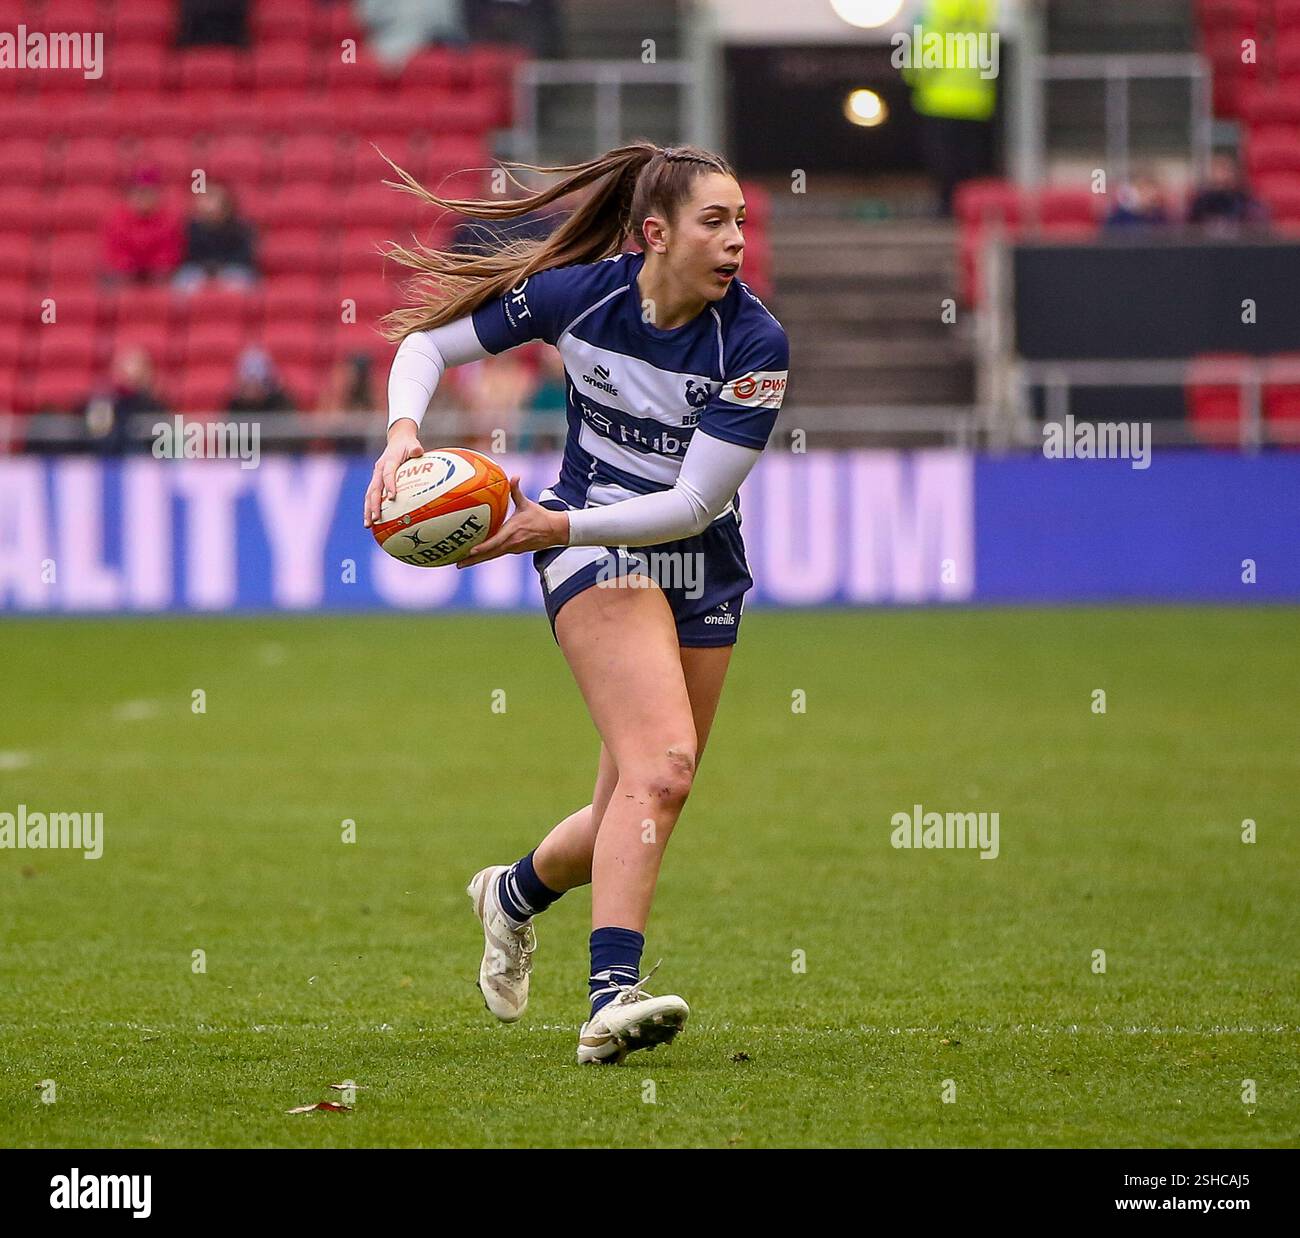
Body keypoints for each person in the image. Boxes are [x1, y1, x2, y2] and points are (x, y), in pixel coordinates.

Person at [362, 142, 789, 1065]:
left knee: (634, 803)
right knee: (665, 766)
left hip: (696, 566)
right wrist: (403, 436)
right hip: (596, 555)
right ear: (654, 233)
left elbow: (696, 505)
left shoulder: (754, 344)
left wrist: (550, 528)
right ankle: (609, 999)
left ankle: (513, 894)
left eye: (742, 222)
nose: (736, 241)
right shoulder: (578, 295)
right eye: (715, 221)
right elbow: (424, 344)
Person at [102, 166, 184, 284]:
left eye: (149, 193)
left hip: (159, 276)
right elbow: (115, 253)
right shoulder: (116, 220)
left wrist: (154, 270)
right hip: (125, 275)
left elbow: (170, 252)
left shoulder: (169, 219)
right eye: (140, 193)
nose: (144, 198)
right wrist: (130, 268)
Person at [174, 184, 258, 292]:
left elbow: (245, 257)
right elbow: (187, 255)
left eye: (212, 198)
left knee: (242, 280)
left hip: (232, 269)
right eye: (204, 199)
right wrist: (208, 267)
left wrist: (220, 267)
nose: (207, 204)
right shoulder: (191, 228)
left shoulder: (240, 228)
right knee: (183, 279)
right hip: (200, 269)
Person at [84, 347, 167, 454]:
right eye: (125, 368)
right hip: (111, 457)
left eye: (135, 368)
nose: (129, 375)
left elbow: (161, 442)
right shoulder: (104, 403)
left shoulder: (154, 405)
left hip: (144, 459)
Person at [1188, 153, 1269, 232]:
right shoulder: (1200, 203)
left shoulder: (1249, 204)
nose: (1220, 177)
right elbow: (1188, 230)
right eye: (1216, 172)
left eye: (1225, 172)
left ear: (1235, 175)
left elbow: (1257, 232)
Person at [225, 347, 294, 414]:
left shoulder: (281, 405)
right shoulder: (233, 406)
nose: (251, 389)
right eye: (248, 384)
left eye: (256, 383)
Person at [1104, 172, 1171, 230]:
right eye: (1142, 189)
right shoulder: (1120, 217)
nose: (1146, 194)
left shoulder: (1159, 217)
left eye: (1149, 190)